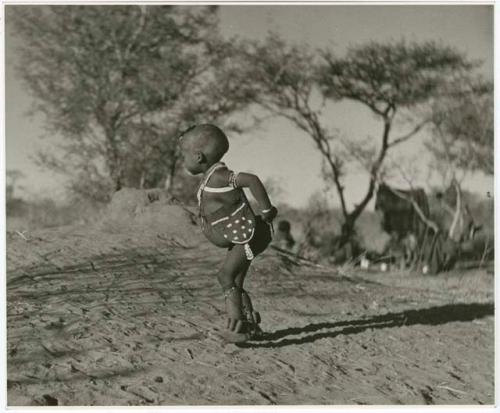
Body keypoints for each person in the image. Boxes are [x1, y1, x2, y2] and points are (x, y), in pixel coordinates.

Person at [179, 124, 277, 343]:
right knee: (237, 279)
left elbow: (251, 179)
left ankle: (237, 328)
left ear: (198, 156)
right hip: (244, 239)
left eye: (183, 156)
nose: (182, 161)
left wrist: (267, 210)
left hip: (249, 239)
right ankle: (251, 327)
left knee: (225, 276)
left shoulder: (221, 177)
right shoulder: (212, 177)